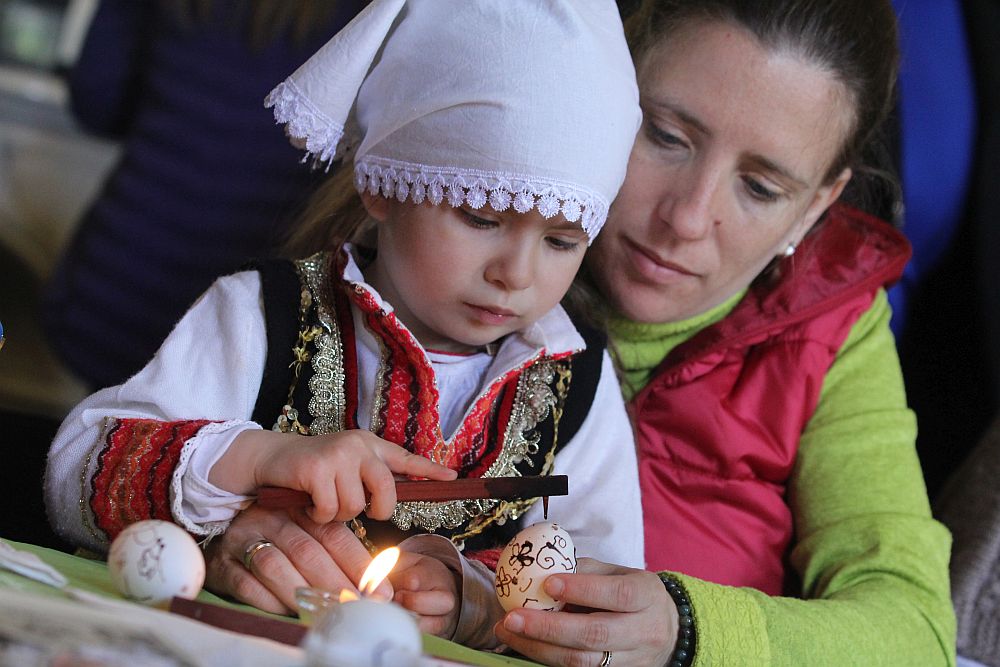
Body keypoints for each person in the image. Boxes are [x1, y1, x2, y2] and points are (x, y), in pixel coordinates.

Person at [44, 0, 645, 648]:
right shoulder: (262, 315)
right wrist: (255, 456)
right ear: (383, 185)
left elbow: (602, 587)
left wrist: (472, 602)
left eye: (561, 240)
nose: (516, 273)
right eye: (482, 217)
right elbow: (73, 470)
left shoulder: (574, 379)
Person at [488, 1, 955, 665]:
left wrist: (690, 627)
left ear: (816, 205)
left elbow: (916, 631)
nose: (686, 216)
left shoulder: (834, 333)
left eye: (760, 188)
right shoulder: (456, 222)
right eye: (666, 136)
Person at [42, 0, 365, 391]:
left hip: (118, 283)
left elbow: (97, 97)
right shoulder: (379, 11)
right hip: (258, 321)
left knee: (95, 441)